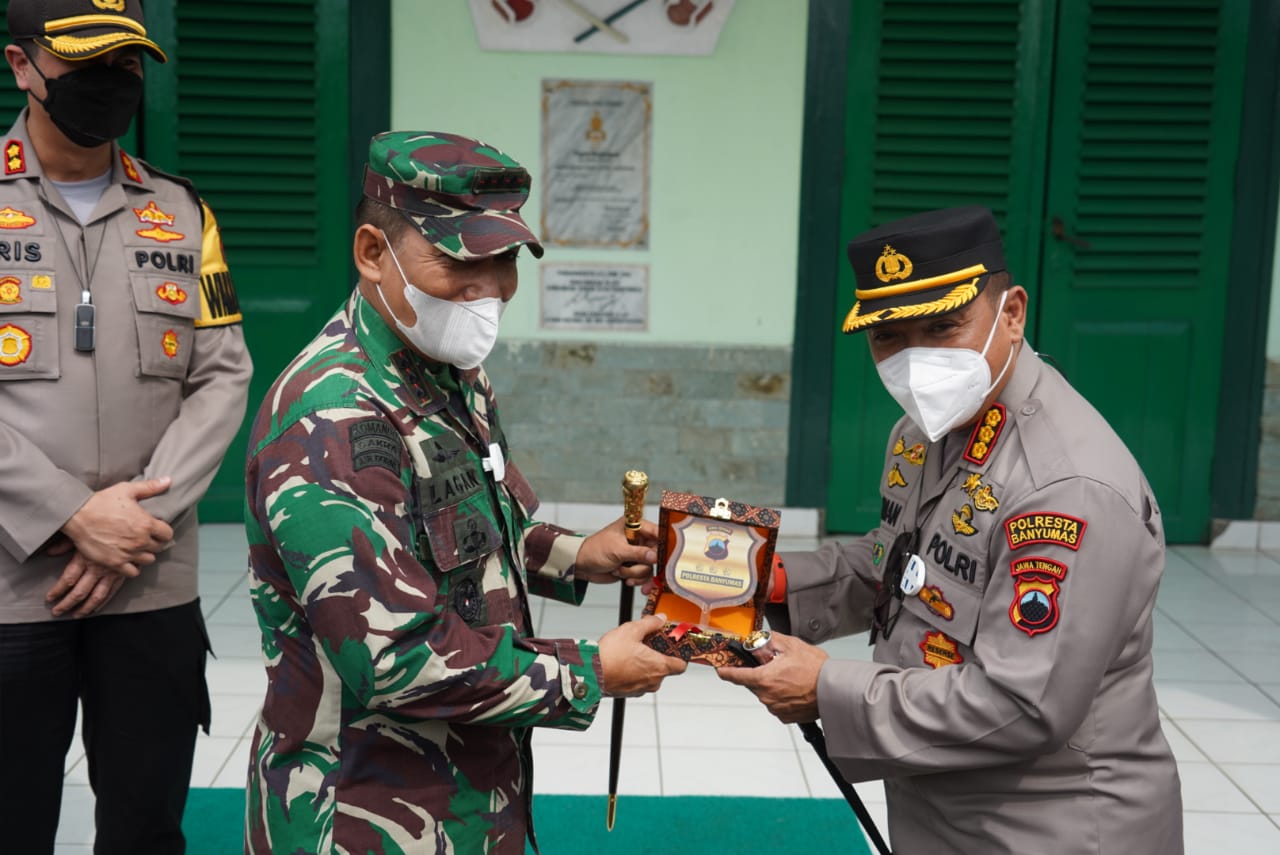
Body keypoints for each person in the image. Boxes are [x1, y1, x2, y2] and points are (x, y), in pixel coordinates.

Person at [243, 130, 686, 854]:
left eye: (504, 258)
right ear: (371, 254)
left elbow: (471, 527)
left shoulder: (448, 368)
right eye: (458, 261)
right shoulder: (333, 419)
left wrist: (580, 556)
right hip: (363, 808)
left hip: (470, 790)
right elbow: (394, 656)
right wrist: (592, 669)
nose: (489, 288)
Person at [718, 206, 1182, 853]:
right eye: (889, 336)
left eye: (942, 326)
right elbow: (903, 565)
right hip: (940, 798)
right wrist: (763, 574)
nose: (915, 361)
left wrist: (826, 687)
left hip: (1049, 824)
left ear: (1012, 313)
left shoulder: (1064, 486)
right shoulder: (924, 430)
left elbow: (1022, 704)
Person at [0, 1, 254, 853]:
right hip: (11, 584)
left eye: (128, 63)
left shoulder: (182, 214)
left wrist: (136, 522)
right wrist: (72, 515)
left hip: (149, 583)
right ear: (22, 65)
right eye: (87, 62)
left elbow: (222, 376)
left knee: (147, 827)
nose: (112, 82)